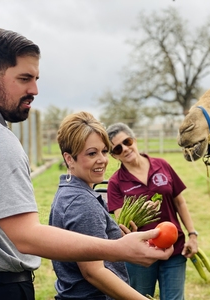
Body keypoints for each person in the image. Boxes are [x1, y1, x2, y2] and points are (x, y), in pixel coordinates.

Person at [0, 28, 173, 300]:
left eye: (104, 151)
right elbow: (27, 237)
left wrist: (116, 235)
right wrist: (121, 249)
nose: (35, 89)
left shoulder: (76, 192)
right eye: (24, 78)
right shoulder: (4, 143)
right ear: (69, 158)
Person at [49, 111, 152, 300]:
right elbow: (94, 272)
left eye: (104, 151)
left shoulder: (67, 191)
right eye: (91, 153)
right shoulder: (81, 202)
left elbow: (86, 249)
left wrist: (116, 242)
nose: (102, 160)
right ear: (69, 158)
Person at [106, 122, 198, 300]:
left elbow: (180, 203)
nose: (125, 149)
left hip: (174, 247)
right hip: (140, 253)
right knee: (141, 297)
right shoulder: (115, 182)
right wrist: (140, 212)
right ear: (114, 156)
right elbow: (123, 225)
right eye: (117, 149)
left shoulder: (162, 165)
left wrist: (192, 235)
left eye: (127, 141)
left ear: (135, 140)